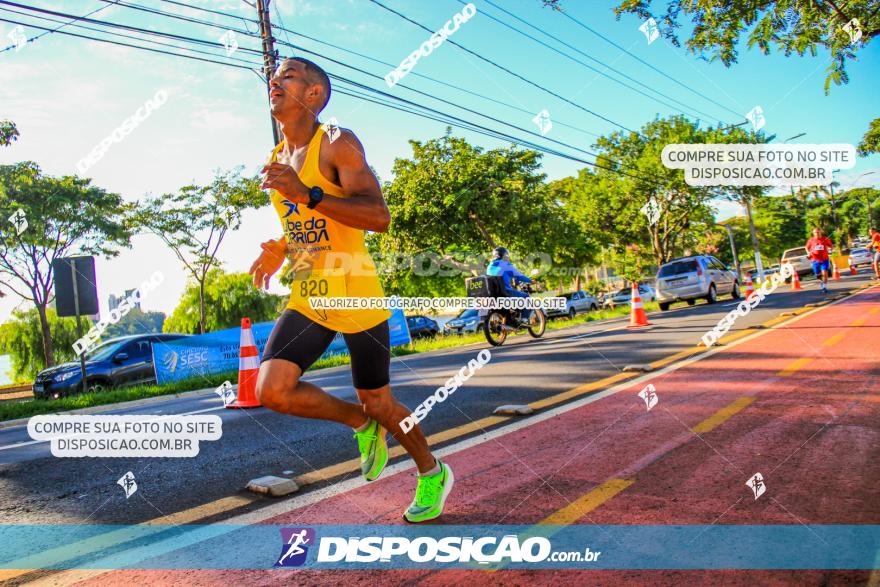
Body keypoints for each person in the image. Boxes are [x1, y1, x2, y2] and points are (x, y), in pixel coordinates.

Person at [249, 57, 453, 523]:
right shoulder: (278, 158)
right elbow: (308, 226)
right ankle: (360, 425)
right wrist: (281, 246)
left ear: (315, 94)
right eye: (273, 77)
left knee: (379, 400)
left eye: (287, 76)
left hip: (357, 294)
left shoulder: (338, 143)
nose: (274, 81)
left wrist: (310, 194)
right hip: (311, 296)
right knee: (272, 390)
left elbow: (378, 217)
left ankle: (431, 471)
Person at [487, 247, 532, 324]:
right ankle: (524, 319)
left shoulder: (490, 266)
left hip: (493, 293)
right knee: (526, 297)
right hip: (505, 291)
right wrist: (530, 280)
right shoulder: (505, 264)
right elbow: (519, 275)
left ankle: (510, 318)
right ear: (504, 255)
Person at [805, 227, 834, 293]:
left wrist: (831, 250)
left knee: (825, 273)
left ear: (820, 232)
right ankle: (821, 281)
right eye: (815, 232)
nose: (817, 233)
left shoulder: (825, 239)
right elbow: (806, 247)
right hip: (815, 260)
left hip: (824, 259)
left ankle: (824, 286)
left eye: (818, 232)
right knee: (817, 274)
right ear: (813, 233)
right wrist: (808, 253)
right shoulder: (811, 240)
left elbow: (831, 246)